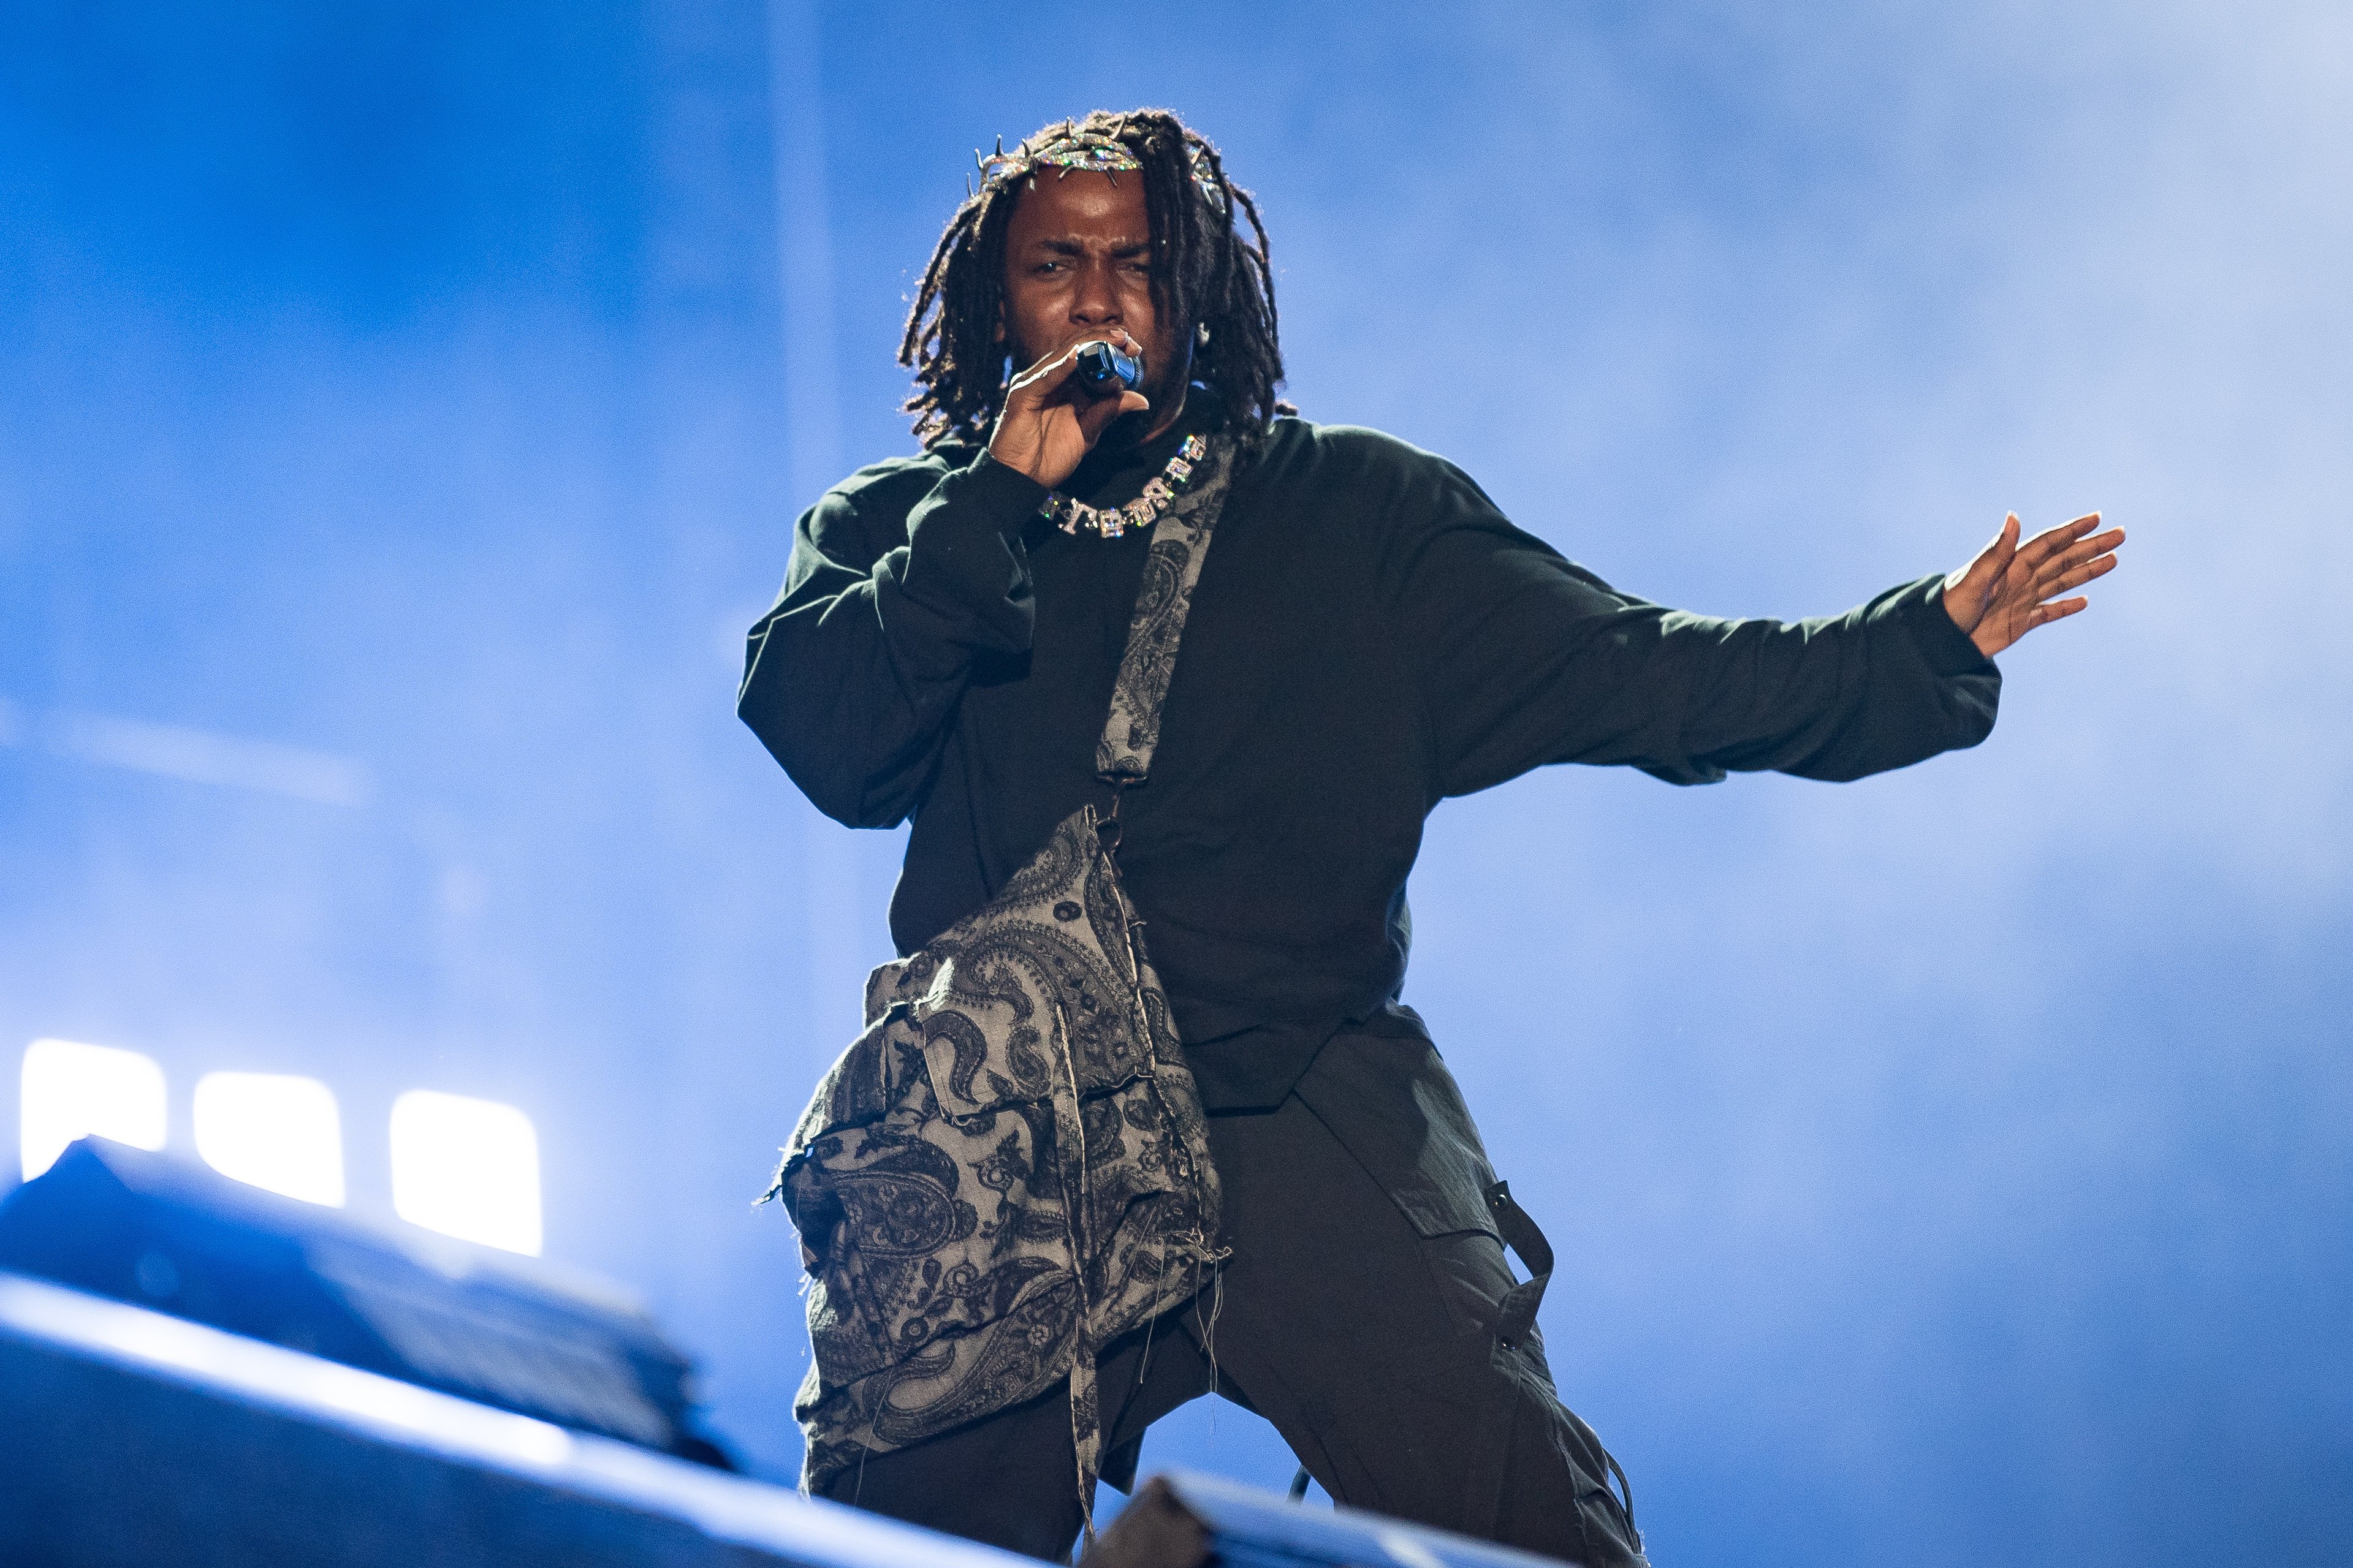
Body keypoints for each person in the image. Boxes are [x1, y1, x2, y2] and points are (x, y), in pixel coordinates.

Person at [738, 107, 2123, 1567]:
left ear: (1195, 290)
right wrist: (991, 504)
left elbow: (1647, 672)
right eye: (1055, 265)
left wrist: (1916, 644)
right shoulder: (906, 523)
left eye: (1136, 263)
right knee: (901, 1551)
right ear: (994, 300)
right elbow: (830, 743)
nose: (1096, 300)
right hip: (1014, 1142)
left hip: (1304, 1107)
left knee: (1525, 1525)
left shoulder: (1357, 514)